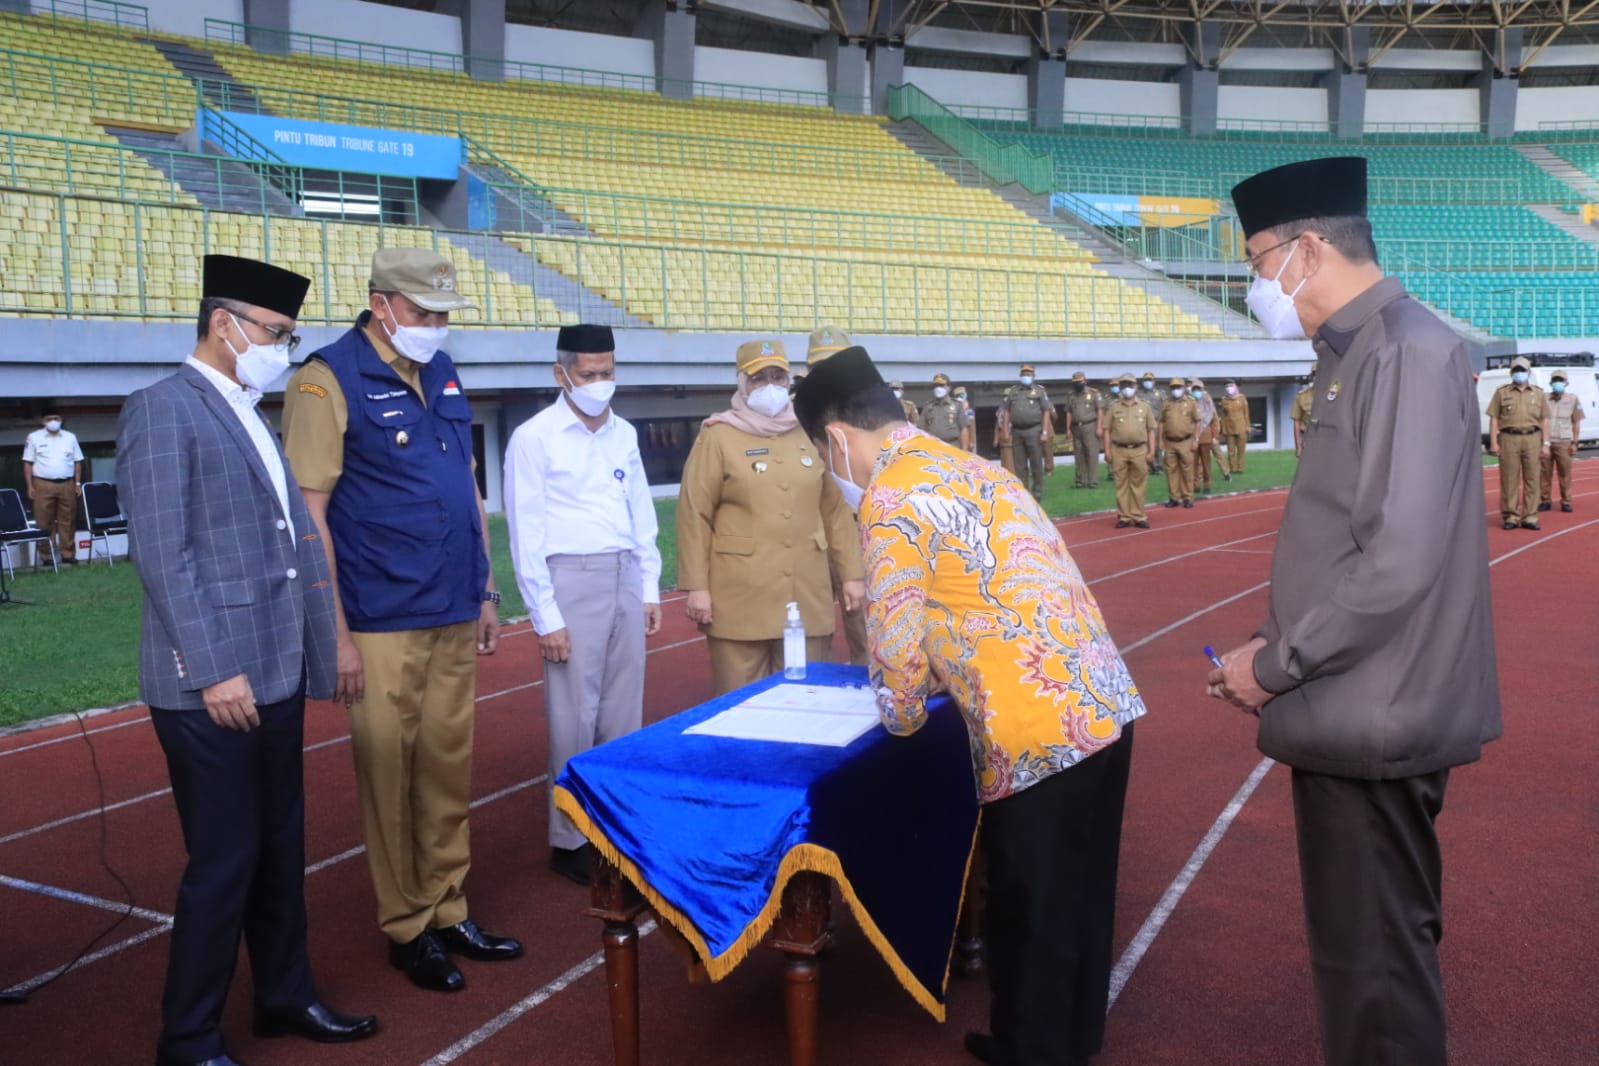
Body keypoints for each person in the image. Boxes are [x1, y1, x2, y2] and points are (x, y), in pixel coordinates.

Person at [1208, 156, 1501, 1066]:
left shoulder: (1407, 350)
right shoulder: (1358, 351)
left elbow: (1396, 559)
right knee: (1357, 955)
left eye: (1258, 266)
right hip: (1350, 696)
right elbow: (1346, 537)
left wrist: (1272, 665)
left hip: (1372, 704)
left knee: (1374, 965)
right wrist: (1271, 637)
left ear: (1306, 248)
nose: (1258, 288)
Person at [792, 346, 1144, 1066]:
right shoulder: (977, 466)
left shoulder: (889, 497)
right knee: (1081, 895)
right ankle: (1067, 1039)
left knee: (1031, 903)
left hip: (1033, 727)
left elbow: (893, 650)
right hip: (1103, 700)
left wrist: (901, 719)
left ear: (834, 438)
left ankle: (1033, 1049)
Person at [118, 255, 378, 1066]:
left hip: (274, 671)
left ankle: (283, 994)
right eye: (273, 333)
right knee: (225, 860)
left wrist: (320, 642)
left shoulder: (248, 411)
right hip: (214, 683)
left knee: (278, 848)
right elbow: (165, 556)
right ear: (222, 323)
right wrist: (214, 667)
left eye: (290, 337)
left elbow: (292, 540)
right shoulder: (162, 411)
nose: (281, 348)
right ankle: (187, 1038)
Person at [281, 248, 521, 994]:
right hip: (381, 614)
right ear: (381, 304)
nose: (435, 326)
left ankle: (449, 907)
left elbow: (465, 487)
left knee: (447, 768)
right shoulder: (326, 379)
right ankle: (407, 926)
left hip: (451, 602)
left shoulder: (442, 369)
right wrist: (336, 632)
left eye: (443, 314)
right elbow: (309, 513)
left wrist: (485, 588)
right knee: (390, 774)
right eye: (422, 313)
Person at [504, 323, 663, 886]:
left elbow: (640, 511)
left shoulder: (623, 433)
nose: (601, 383)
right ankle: (568, 838)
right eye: (589, 374)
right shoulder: (534, 437)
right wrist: (545, 616)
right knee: (574, 716)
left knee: (624, 713)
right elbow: (526, 531)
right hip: (571, 578)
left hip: (624, 571)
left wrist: (648, 586)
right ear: (561, 374)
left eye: (608, 372)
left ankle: (615, 826)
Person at [677, 338, 865, 695]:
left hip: (805, 592)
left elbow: (835, 511)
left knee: (809, 699)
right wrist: (697, 587)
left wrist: (851, 575)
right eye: (758, 378)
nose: (769, 386)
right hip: (739, 595)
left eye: (778, 377)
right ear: (741, 383)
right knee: (740, 705)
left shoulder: (812, 432)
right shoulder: (717, 435)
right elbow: (694, 513)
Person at [807, 325, 869, 667]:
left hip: (864, 532)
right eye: (820, 366)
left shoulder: (873, 413)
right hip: (813, 537)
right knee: (815, 628)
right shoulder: (790, 416)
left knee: (868, 625)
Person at [1487, 356, 1552, 531]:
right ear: (1511, 372)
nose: (1519, 373)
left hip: (1532, 438)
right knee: (1509, 479)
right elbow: (1494, 419)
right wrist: (1494, 442)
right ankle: (1511, 516)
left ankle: (1530, 516)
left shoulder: (1538, 393)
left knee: (1532, 478)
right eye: (1516, 370)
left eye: (1522, 370)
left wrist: (1546, 443)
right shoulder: (1502, 392)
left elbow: (1545, 420)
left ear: (1528, 372)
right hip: (1509, 438)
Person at [21, 410, 84, 566]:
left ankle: (68, 554)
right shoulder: (34, 437)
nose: (53, 421)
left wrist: (77, 483)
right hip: (42, 483)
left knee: (67, 520)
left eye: (56, 418)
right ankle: (47, 556)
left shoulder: (70, 437)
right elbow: (28, 463)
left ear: (61, 419)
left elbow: (78, 462)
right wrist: (30, 486)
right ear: (43, 421)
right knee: (43, 521)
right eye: (49, 419)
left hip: (67, 483)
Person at [1101, 374, 1156, 529]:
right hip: (1119, 450)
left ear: (1136, 386)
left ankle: (1138, 515)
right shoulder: (1114, 406)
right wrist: (1107, 450)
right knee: (1121, 484)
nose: (1127, 388)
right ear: (1119, 387)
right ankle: (1124, 516)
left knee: (1139, 485)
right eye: (1124, 384)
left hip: (1140, 450)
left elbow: (1151, 430)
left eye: (1130, 384)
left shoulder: (1145, 406)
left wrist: (1152, 451)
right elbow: (1107, 430)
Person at [999, 364, 1053, 499]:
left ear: (1033, 376)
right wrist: (1006, 430)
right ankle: (1023, 494)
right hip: (1017, 432)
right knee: (1019, 466)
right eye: (1024, 374)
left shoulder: (1039, 391)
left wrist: (1044, 431)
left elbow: (1046, 411)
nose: (1026, 377)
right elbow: (1006, 411)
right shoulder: (1013, 391)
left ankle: (1037, 493)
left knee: (1036, 464)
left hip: (1034, 430)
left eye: (1028, 374)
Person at [1540, 368, 1584, 513]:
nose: (1558, 383)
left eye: (1560, 380)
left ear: (1566, 383)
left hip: (1564, 441)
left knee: (1565, 473)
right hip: (1546, 441)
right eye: (1555, 380)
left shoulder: (1572, 399)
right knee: (1544, 472)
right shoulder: (1543, 398)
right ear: (1550, 382)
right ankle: (1545, 500)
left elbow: (1576, 422)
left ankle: (1566, 501)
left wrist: (1575, 442)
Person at [1159, 377, 1198, 510]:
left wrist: (1196, 439)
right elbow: (1162, 422)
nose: (1176, 390)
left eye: (1178, 387)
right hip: (1169, 442)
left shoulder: (1191, 402)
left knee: (1187, 471)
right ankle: (1174, 498)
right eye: (1173, 387)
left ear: (1183, 388)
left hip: (1186, 441)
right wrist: (1160, 441)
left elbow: (1197, 421)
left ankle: (1187, 497)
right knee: (1171, 471)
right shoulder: (1166, 403)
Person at [1063, 371, 1102, 488]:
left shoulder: (1094, 393)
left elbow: (1100, 410)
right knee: (1078, 454)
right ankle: (1080, 480)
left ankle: (1092, 481)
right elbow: (1068, 412)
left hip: (1090, 426)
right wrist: (1067, 429)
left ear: (1085, 381)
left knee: (1091, 453)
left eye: (1079, 382)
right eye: (1075, 382)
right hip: (1076, 427)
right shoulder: (1071, 395)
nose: (1077, 384)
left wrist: (1099, 427)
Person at [1189, 378, 1221, 492]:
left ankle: (1207, 484)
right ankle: (1195, 485)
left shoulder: (1208, 403)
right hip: (1193, 438)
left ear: (1202, 390)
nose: (1196, 391)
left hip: (1206, 437)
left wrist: (1215, 436)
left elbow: (1214, 421)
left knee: (1206, 463)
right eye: (1194, 389)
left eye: (1198, 389)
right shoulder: (1189, 403)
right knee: (1193, 464)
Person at [919, 372, 965, 447]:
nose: (938, 388)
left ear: (949, 388)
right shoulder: (928, 406)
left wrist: (965, 451)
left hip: (952, 446)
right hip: (933, 447)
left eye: (941, 385)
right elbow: (921, 429)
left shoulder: (957, 405)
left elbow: (964, 429)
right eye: (936, 386)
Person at [1218, 379, 1250, 474]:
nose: (1229, 388)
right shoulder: (1224, 400)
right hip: (1229, 428)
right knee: (1231, 451)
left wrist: (1248, 426)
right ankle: (1233, 468)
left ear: (1235, 386)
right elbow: (1223, 416)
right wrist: (1223, 428)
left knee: (1241, 450)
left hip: (1241, 427)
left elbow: (1246, 413)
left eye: (1230, 386)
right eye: (1227, 386)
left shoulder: (1242, 398)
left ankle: (1240, 468)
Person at [1139, 372, 1164, 476]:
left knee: (1157, 445)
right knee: (1145, 445)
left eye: (1150, 380)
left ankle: (1158, 467)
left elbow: (1165, 407)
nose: (1148, 382)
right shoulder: (1139, 394)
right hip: (1143, 423)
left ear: (1154, 381)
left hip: (1156, 421)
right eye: (1146, 380)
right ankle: (1148, 467)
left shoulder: (1160, 393)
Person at [1291, 364, 1317, 457]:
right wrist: (1298, 447)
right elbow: (1296, 422)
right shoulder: (1302, 396)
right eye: (1315, 374)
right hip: (1307, 439)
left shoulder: (1334, 397)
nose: (1318, 377)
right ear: (1312, 377)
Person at [954, 386, 976, 453]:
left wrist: (972, 441)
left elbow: (972, 427)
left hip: (967, 440)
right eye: (960, 395)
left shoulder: (969, 411)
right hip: (956, 441)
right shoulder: (953, 409)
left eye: (963, 394)